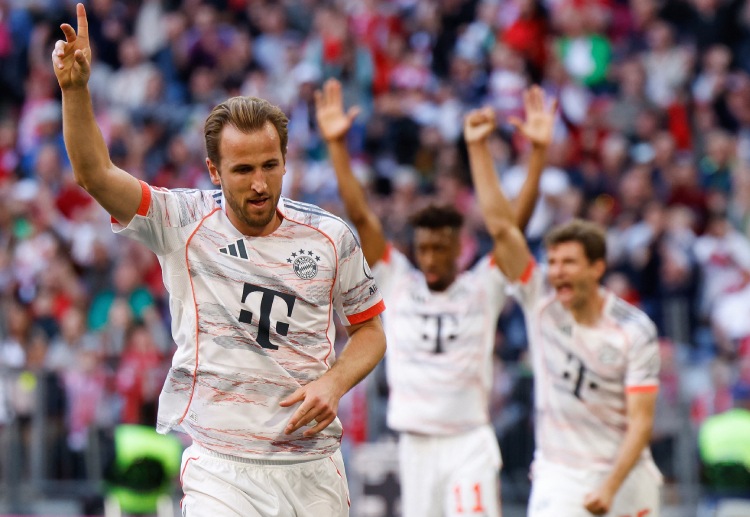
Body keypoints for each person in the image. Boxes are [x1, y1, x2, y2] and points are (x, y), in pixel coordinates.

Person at [51, 5, 386, 516]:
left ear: (286, 161)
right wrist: (75, 91)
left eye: (271, 166)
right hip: (221, 468)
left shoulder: (329, 236)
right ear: (214, 170)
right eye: (243, 170)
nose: (260, 183)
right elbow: (94, 174)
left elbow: (371, 330)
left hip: (312, 468)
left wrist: (333, 383)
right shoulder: (181, 220)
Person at [315, 78, 553, 517]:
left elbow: (510, 232)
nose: (430, 257)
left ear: (458, 247)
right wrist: (336, 146)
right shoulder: (398, 280)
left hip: (469, 440)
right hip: (414, 444)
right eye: (424, 248)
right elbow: (362, 217)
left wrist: (537, 155)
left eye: (440, 248)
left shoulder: (482, 285)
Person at [464, 88, 663, 517]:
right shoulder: (541, 302)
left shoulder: (634, 329)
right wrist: (480, 149)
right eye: (552, 262)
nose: (556, 272)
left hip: (625, 477)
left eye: (569, 263)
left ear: (597, 268)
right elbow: (503, 231)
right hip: (561, 476)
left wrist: (610, 487)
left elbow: (641, 422)